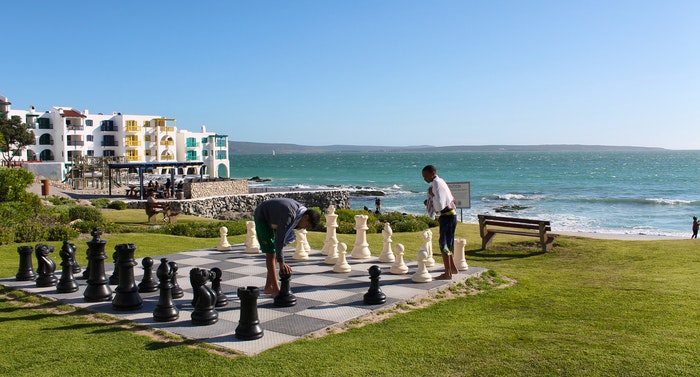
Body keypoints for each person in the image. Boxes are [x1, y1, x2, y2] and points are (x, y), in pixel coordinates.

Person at [254, 198, 320, 297]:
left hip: (274, 217)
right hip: (262, 216)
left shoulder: (299, 213)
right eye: (306, 226)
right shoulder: (290, 215)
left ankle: (268, 287)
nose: (303, 228)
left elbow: (280, 243)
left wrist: (281, 260)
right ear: (305, 217)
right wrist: (282, 264)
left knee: (275, 252)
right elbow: (279, 241)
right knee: (271, 253)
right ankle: (276, 290)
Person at [422, 164, 458, 280]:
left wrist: (431, 197)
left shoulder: (436, 183)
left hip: (446, 217)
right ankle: (452, 268)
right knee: (449, 242)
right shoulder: (441, 181)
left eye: (426, 176)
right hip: (452, 215)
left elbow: (439, 205)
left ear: (432, 174)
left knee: (444, 244)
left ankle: (447, 273)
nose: (424, 179)